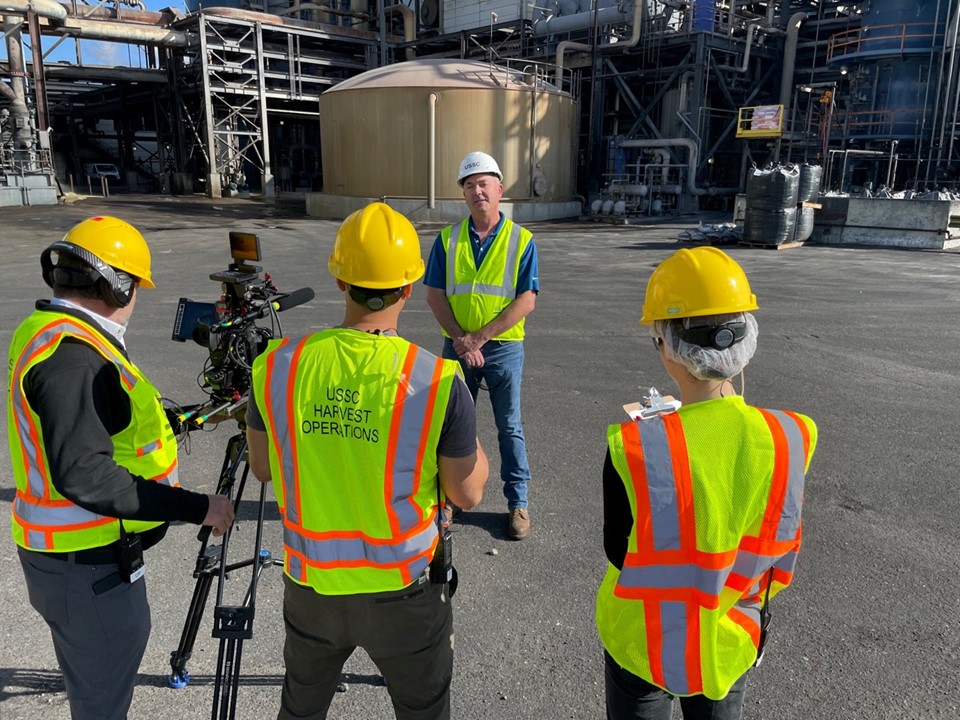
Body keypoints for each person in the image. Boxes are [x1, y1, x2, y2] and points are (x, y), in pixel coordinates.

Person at [246, 201, 488, 720]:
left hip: (311, 589)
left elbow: (263, 469)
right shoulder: (436, 381)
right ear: (408, 288)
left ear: (339, 281)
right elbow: (467, 493)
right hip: (402, 593)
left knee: (301, 708)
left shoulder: (276, 367)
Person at [7, 215, 236, 720]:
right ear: (118, 283)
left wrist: (176, 422)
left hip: (69, 561)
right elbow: (86, 473)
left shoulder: (50, 329)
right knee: (103, 699)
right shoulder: (75, 358)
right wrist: (200, 507)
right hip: (86, 566)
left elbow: (105, 420)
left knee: (96, 680)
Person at [596, 246, 818, 720]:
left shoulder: (634, 447)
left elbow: (619, 552)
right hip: (730, 636)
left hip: (643, 642)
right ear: (746, 340)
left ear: (667, 348)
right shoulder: (793, 435)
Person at [423, 151, 539, 540]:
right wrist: (460, 340)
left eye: (484, 184)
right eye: (470, 186)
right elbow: (435, 295)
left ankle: (517, 503)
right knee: (451, 425)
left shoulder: (522, 240)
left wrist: (478, 339)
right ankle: (451, 498)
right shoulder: (447, 239)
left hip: (503, 347)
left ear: (499, 189)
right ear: (463, 194)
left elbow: (526, 300)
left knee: (510, 427)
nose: (477, 191)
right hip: (456, 345)